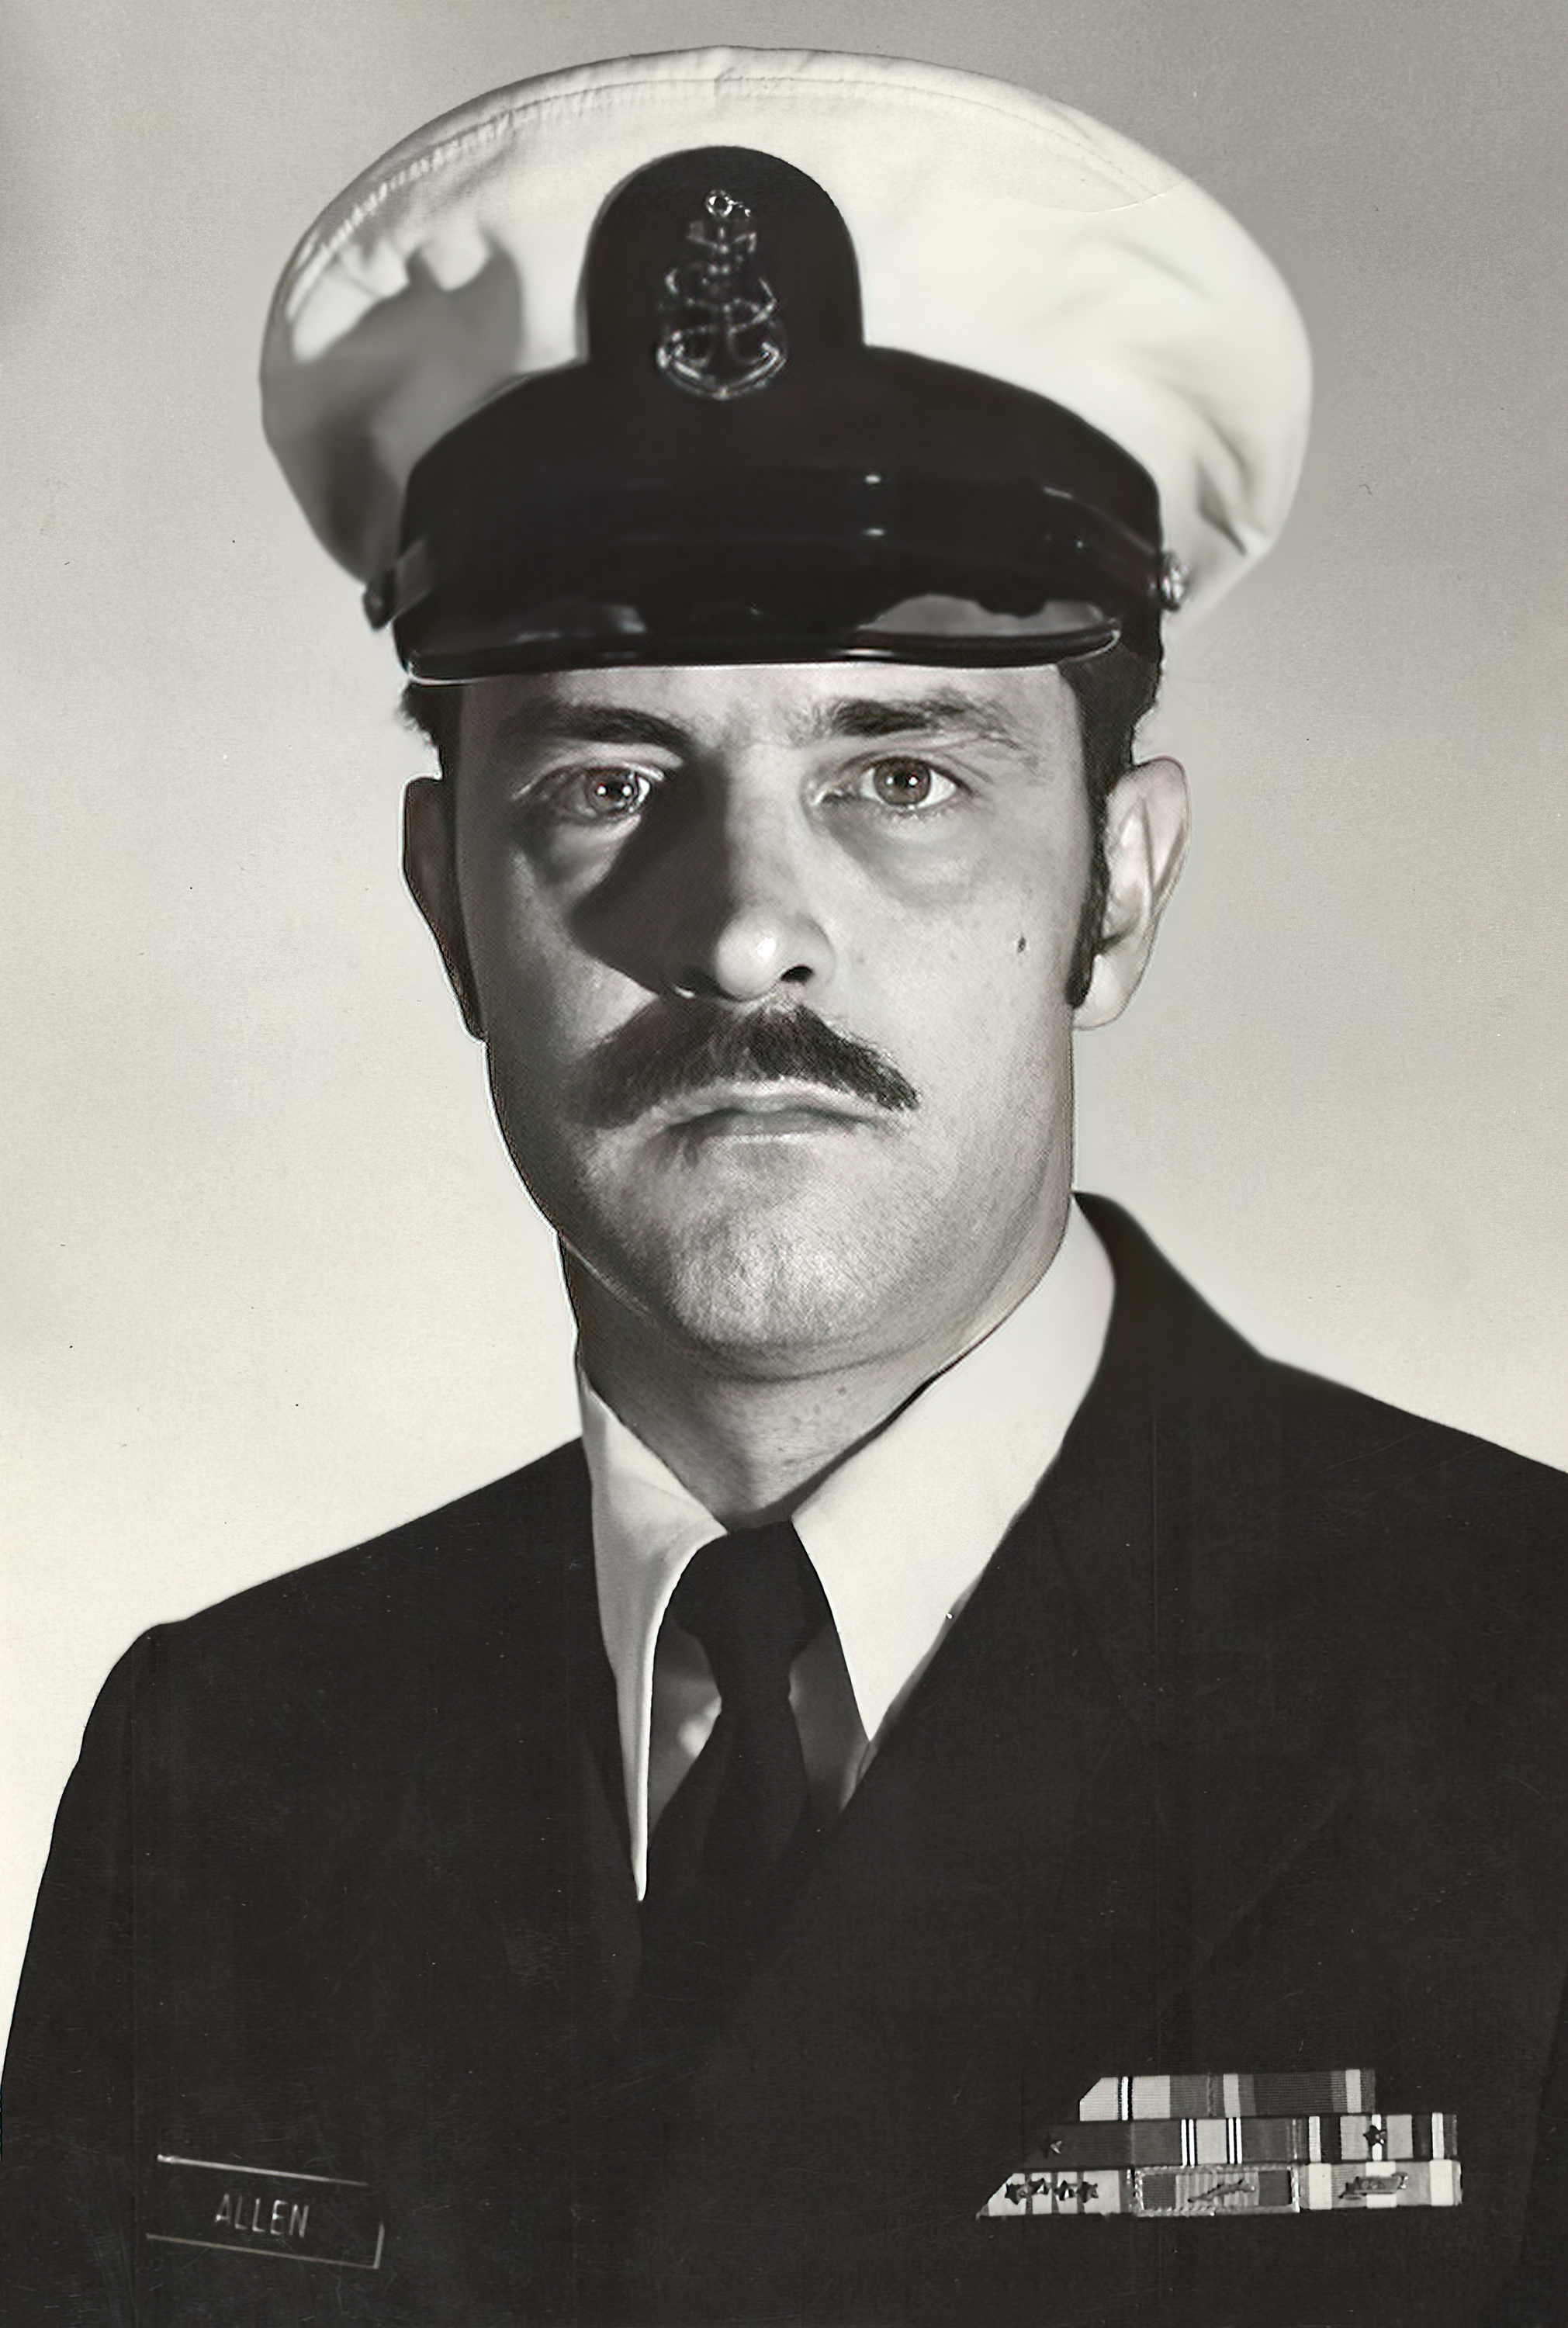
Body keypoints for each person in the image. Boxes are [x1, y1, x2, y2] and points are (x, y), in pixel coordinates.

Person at [4, 45, 1568, 2328]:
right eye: (606, 780)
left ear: (1117, 890)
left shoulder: (1524, 1706)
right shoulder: (225, 1770)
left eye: (902, 774)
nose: (747, 933)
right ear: (447, 908)